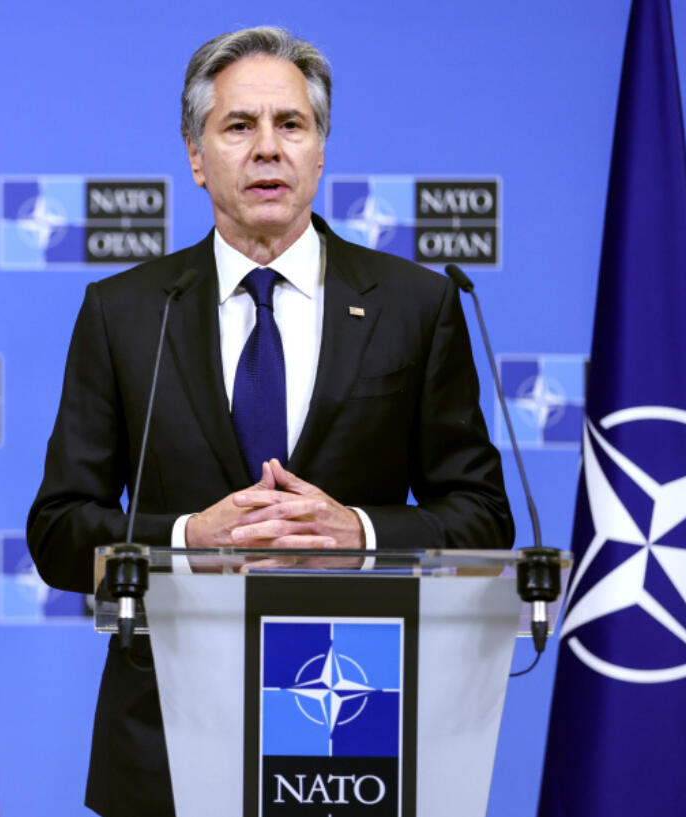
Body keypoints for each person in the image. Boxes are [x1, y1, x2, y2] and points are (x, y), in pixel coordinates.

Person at [27, 26, 514, 817]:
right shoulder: (123, 314)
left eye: (291, 125)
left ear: (321, 150)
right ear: (195, 155)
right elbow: (57, 532)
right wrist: (190, 539)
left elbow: (485, 522)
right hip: (167, 742)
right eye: (238, 126)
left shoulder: (417, 308)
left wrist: (357, 531)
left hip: (354, 732)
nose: (268, 149)